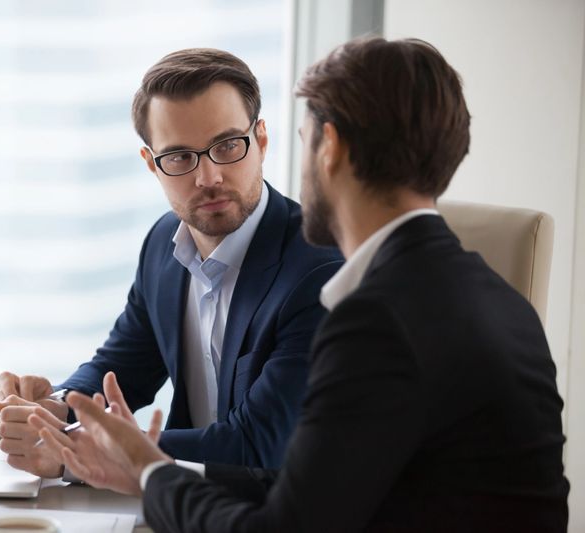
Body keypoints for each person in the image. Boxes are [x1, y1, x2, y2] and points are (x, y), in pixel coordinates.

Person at [29, 37, 570, 532]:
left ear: (327, 146)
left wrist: (142, 468)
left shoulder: (370, 314)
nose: (209, 175)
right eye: (181, 158)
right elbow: (310, 489)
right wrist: (78, 426)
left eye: (304, 137)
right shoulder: (495, 297)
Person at [0, 48, 343, 478]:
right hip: (174, 502)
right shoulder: (164, 243)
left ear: (262, 141)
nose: (209, 177)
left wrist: (77, 446)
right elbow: (122, 367)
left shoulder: (318, 271)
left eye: (228, 146)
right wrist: (55, 408)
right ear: (151, 165)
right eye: (179, 157)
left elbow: (258, 443)